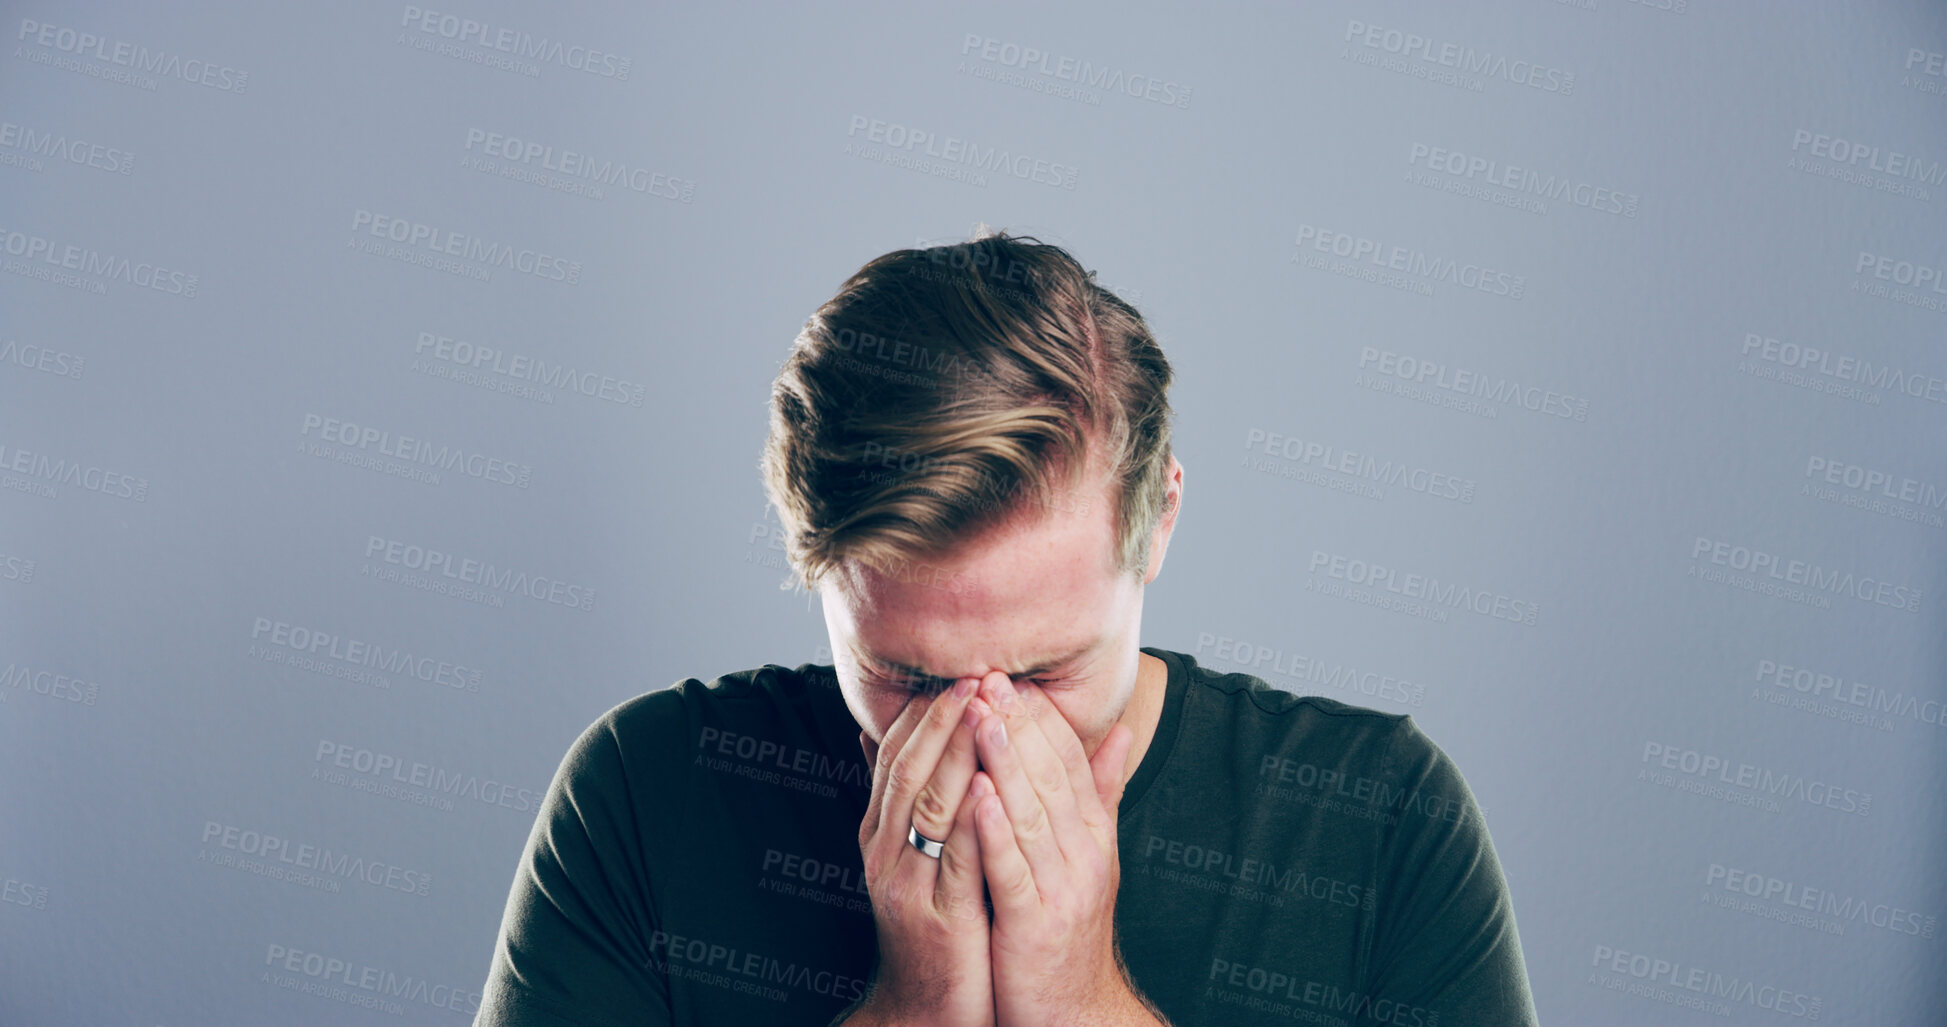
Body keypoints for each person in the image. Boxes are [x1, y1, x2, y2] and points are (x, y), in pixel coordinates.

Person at [474, 229, 1540, 1026]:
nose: (985, 732)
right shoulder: (645, 794)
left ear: (1157, 519)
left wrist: (1080, 998)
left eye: (1047, 670)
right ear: (820, 574)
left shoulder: (1380, 820)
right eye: (908, 680)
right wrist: (916, 1004)